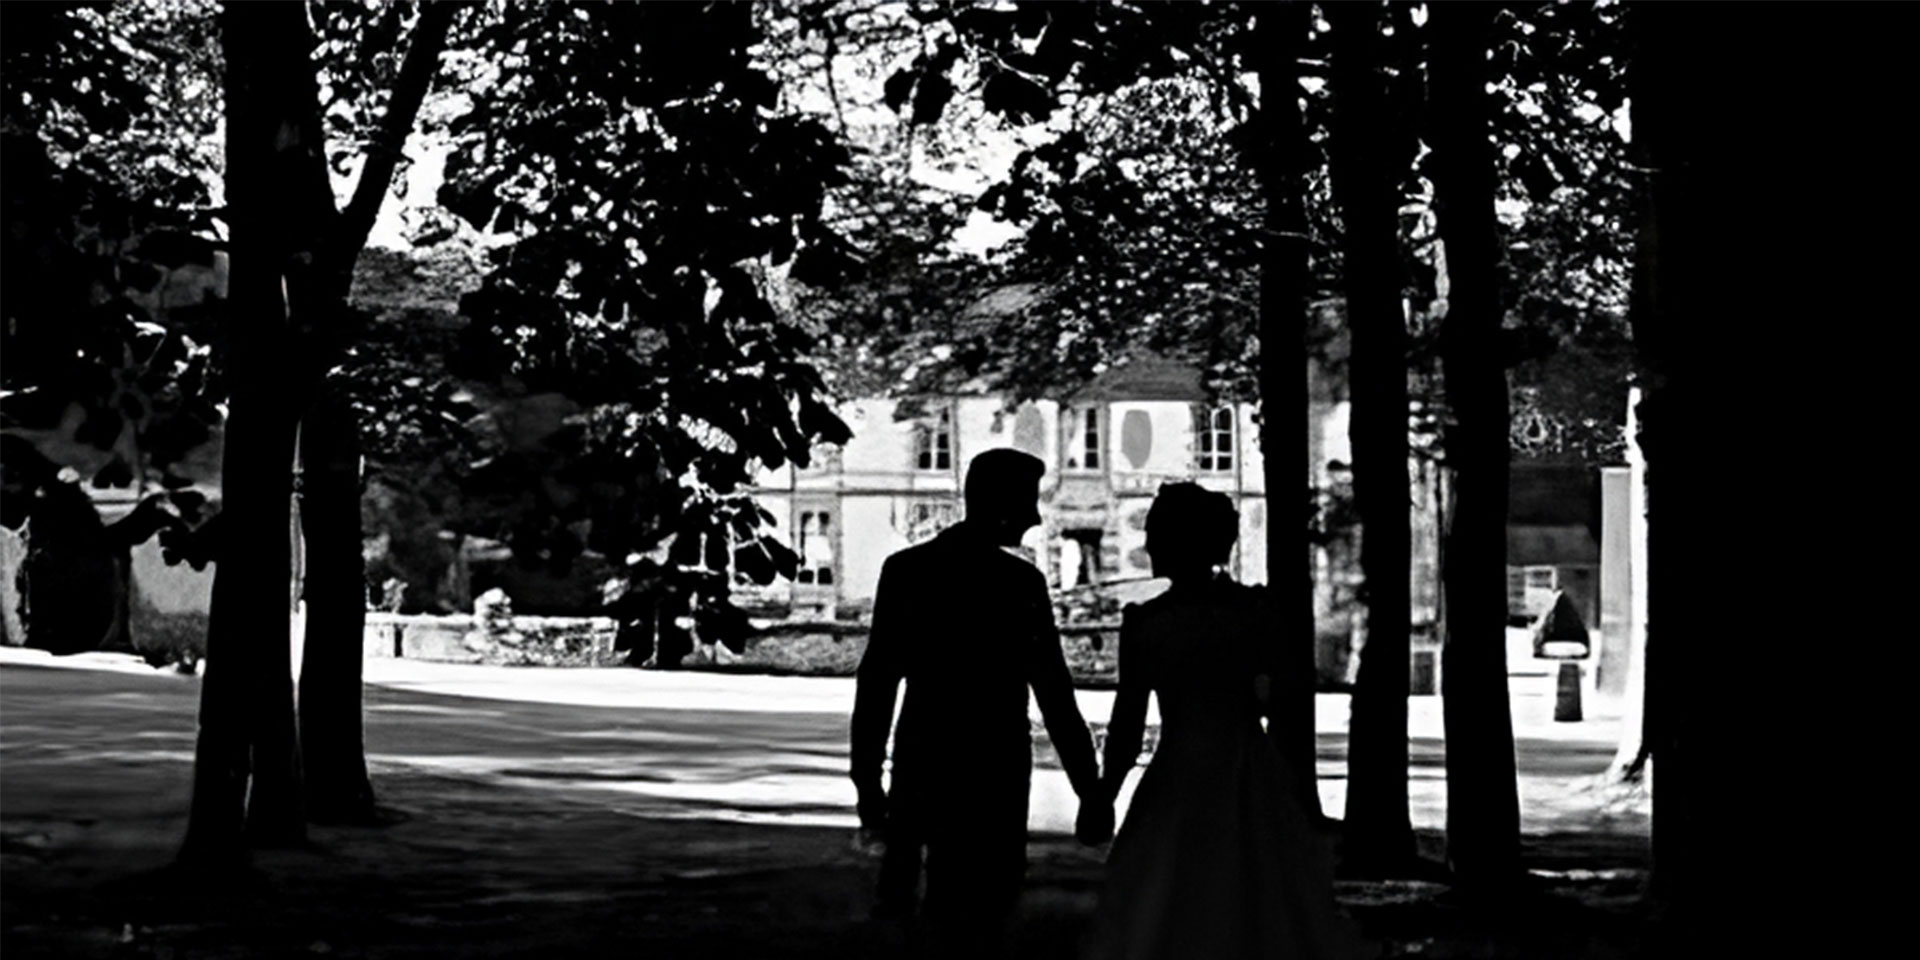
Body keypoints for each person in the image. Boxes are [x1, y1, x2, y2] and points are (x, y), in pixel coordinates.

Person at [1078, 482, 1371, 960]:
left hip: (1178, 774)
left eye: (1155, 531)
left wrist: (1102, 796)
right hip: (1248, 771)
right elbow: (1286, 702)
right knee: (1260, 898)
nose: (1148, 542)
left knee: (1165, 901)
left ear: (1176, 542)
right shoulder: (1256, 612)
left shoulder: (1148, 624)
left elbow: (1128, 726)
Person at [849, 447, 1101, 956]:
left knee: (907, 898)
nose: (1034, 518)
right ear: (1003, 504)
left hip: (924, 754)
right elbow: (1054, 692)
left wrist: (867, 779)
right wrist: (1089, 790)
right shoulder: (1018, 584)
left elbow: (877, 680)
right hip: (995, 763)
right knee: (986, 906)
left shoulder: (907, 571)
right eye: (1028, 503)